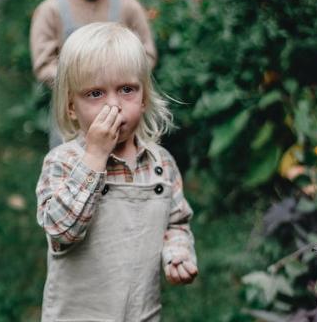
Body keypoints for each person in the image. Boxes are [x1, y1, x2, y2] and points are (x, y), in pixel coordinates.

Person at [35, 22, 197, 321]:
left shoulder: (160, 164)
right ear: (72, 107)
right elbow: (61, 232)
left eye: (126, 90)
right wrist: (95, 155)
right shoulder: (63, 162)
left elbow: (176, 222)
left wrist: (177, 252)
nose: (114, 105)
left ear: (144, 96)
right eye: (95, 93)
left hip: (141, 313)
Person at [30, 0, 156, 148]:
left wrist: (119, 78)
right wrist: (82, 81)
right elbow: (43, 66)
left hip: (123, 118)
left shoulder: (128, 8)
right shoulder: (51, 11)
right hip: (74, 122)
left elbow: (146, 57)